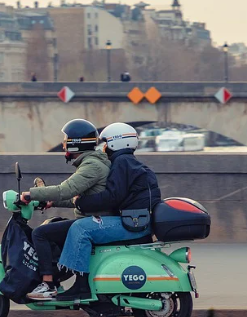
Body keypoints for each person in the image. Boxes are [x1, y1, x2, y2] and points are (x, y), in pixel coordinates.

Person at [56, 123, 162, 302]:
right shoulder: (129, 162)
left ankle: (81, 286)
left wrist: (81, 203)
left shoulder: (122, 163)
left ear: (115, 142)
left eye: (105, 143)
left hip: (133, 223)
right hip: (137, 220)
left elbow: (112, 197)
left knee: (81, 228)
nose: (103, 148)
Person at [19, 119, 111, 301]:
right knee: (54, 225)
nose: (63, 144)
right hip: (92, 218)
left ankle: (48, 284)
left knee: (40, 234)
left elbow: (65, 190)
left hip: (92, 221)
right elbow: (79, 199)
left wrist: (30, 194)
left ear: (76, 143)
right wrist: (52, 202)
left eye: (66, 139)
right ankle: (57, 278)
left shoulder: (91, 166)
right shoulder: (92, 162)